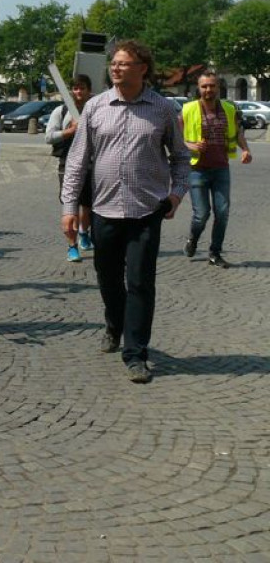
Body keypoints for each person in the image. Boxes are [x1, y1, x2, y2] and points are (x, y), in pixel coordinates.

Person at [61, 40, 190, 384]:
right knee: (107, 278)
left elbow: (180, 158)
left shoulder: (162, 109)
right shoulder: (95, 107)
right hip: (103, 209)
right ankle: (114, 325)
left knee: (140, 283)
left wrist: (176, 196)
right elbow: (77, 161)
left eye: (123, 63)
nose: (115, 68)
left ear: (142, 68)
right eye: (113, 63)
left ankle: (136, 353)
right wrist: (68, 208)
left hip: (146, 211)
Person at [181, 71, 253, 268]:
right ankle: (193, 239)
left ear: (218, 88)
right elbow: (175, 138)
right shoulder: (188, 109)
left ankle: (215, 252)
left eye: (212, 86)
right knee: (201, 214)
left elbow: (237, 133)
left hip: (221, 168)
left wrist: (246, 149)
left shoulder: (229, 109)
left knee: (222, 212)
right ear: (199, 88)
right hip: (197, 169)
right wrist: (190, 145)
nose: (208, 90)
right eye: (204, 86)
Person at [45, 74, 94, 263]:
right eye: (75, 88)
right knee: (70, 206)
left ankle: (84, 233)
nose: (79, 92)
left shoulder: (95, 110)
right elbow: (49, 137)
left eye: (82, 88)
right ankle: (72, 246)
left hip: (91, 163)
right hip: (67, 164)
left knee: (87, 206)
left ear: (89, 90)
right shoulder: (61, 111)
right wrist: (70, 131)